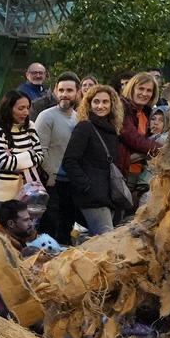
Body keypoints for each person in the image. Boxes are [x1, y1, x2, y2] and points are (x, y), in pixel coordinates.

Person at [60, 84, 126, 238]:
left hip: (109, 196)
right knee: (106, 242)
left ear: (112, 104)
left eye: (105, 102)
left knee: (104, 243)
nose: (100, 106)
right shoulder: (84, 127)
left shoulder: (112, 130)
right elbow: (69, 161)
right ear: (89, 104)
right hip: (93, 198)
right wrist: (87, 186)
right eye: (96, 102)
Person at [33, 73, 83, 243]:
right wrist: (50, 179)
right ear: (55, 91)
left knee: (66, 227)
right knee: (50, 229)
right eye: (61, 90)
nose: (64, 94)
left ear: (77, 93)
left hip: (71, 183)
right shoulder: (46, 116)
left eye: (69, 90)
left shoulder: (78, 117)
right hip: (52, 184)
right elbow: (40, 151)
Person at [0, 89, 45, 216]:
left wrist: (16, 159)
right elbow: (3, 162)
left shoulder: (30, 127)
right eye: (21, 108)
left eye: (28, 108)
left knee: (25, 232)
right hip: (1, 195)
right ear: (9, 109)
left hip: (27, 192)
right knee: (1, 234)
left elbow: (40, 156)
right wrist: (29, 154)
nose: (26, 112)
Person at [119, 71, 164, 189]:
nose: (144, 93)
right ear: (132, 89)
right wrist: (164, 150)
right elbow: (133, 139)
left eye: (149, 90)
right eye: (141, 89)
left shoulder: (147, 112)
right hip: (122, 172)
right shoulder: (121, 107)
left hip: (140, 172)